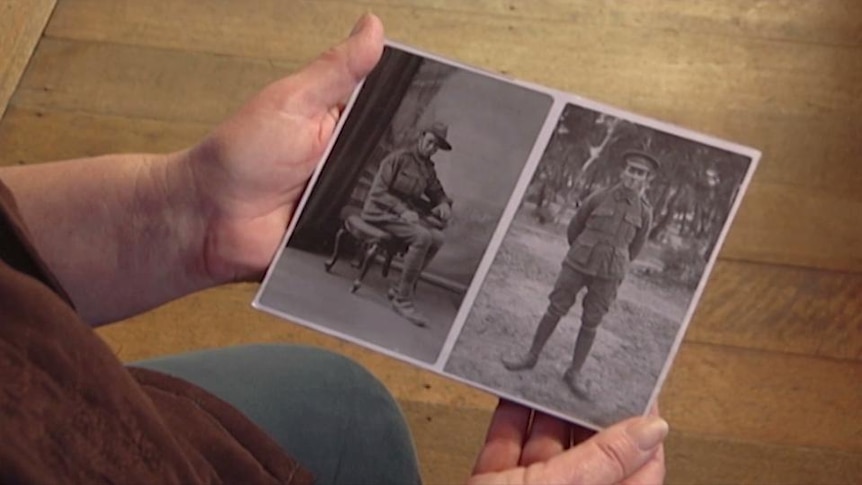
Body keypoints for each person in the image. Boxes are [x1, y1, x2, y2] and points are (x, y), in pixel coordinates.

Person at [0, 13, 666, 484]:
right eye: (435, 144)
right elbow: (394, 195)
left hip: (97, 408)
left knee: (347, 397)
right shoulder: (411, 160)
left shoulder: (439, 170)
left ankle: (568, 366)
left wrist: (186, 207)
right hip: (117, 441)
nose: (436, 153)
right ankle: (436, 305)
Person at [503, 151, 658, 397]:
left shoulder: (645, 212)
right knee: (555, 308)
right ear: (623, 171)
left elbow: (635, 249)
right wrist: (582, 250)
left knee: (592, 321)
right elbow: (575, 227)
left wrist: (613, 262)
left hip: (609, 273)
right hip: (578, 264)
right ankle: (531, 355)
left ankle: (574, 372)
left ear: (648, 179)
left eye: (640, 173)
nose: (633, 175)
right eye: (630, 169)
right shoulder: (599, 197)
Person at [360, 122, 454, 327]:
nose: (432, 148)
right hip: (378, 212)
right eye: (430, 142)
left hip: (402, 217)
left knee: (438, 238)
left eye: (436, 146)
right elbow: (377, 192)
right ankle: (403, 300)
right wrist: (401, 210)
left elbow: (436, 191)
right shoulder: (398, 158)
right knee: (423, 236)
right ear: (421, 137)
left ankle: (400, 287)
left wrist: (443, 204)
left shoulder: (427, 168)